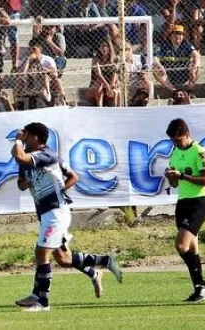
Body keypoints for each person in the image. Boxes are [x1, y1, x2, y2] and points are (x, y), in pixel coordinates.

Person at [12, 122, 123, 311]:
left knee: (41, 252)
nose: (24, 139)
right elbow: (22, 182)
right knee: (63, 259)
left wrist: (17, 139)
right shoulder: (31, 159)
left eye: (27, 136)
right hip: (46, 213)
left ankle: (41, 301)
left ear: (35, 138)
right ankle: (101, 265)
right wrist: (24, 183)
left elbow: (72, 176)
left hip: (56, 212)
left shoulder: (46, 155)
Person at [163, 118, 205, 302]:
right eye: (173, 141)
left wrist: (183, 175)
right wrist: (171, 177)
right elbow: (175, 183)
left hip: (198, 202)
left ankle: (202, 284)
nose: (176, 144)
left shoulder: (200, 152)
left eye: (178, 140)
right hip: (182, 201)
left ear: (187, 135)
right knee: (191, 248)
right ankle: (200, 288)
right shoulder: (175, 153)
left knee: (181, 245)